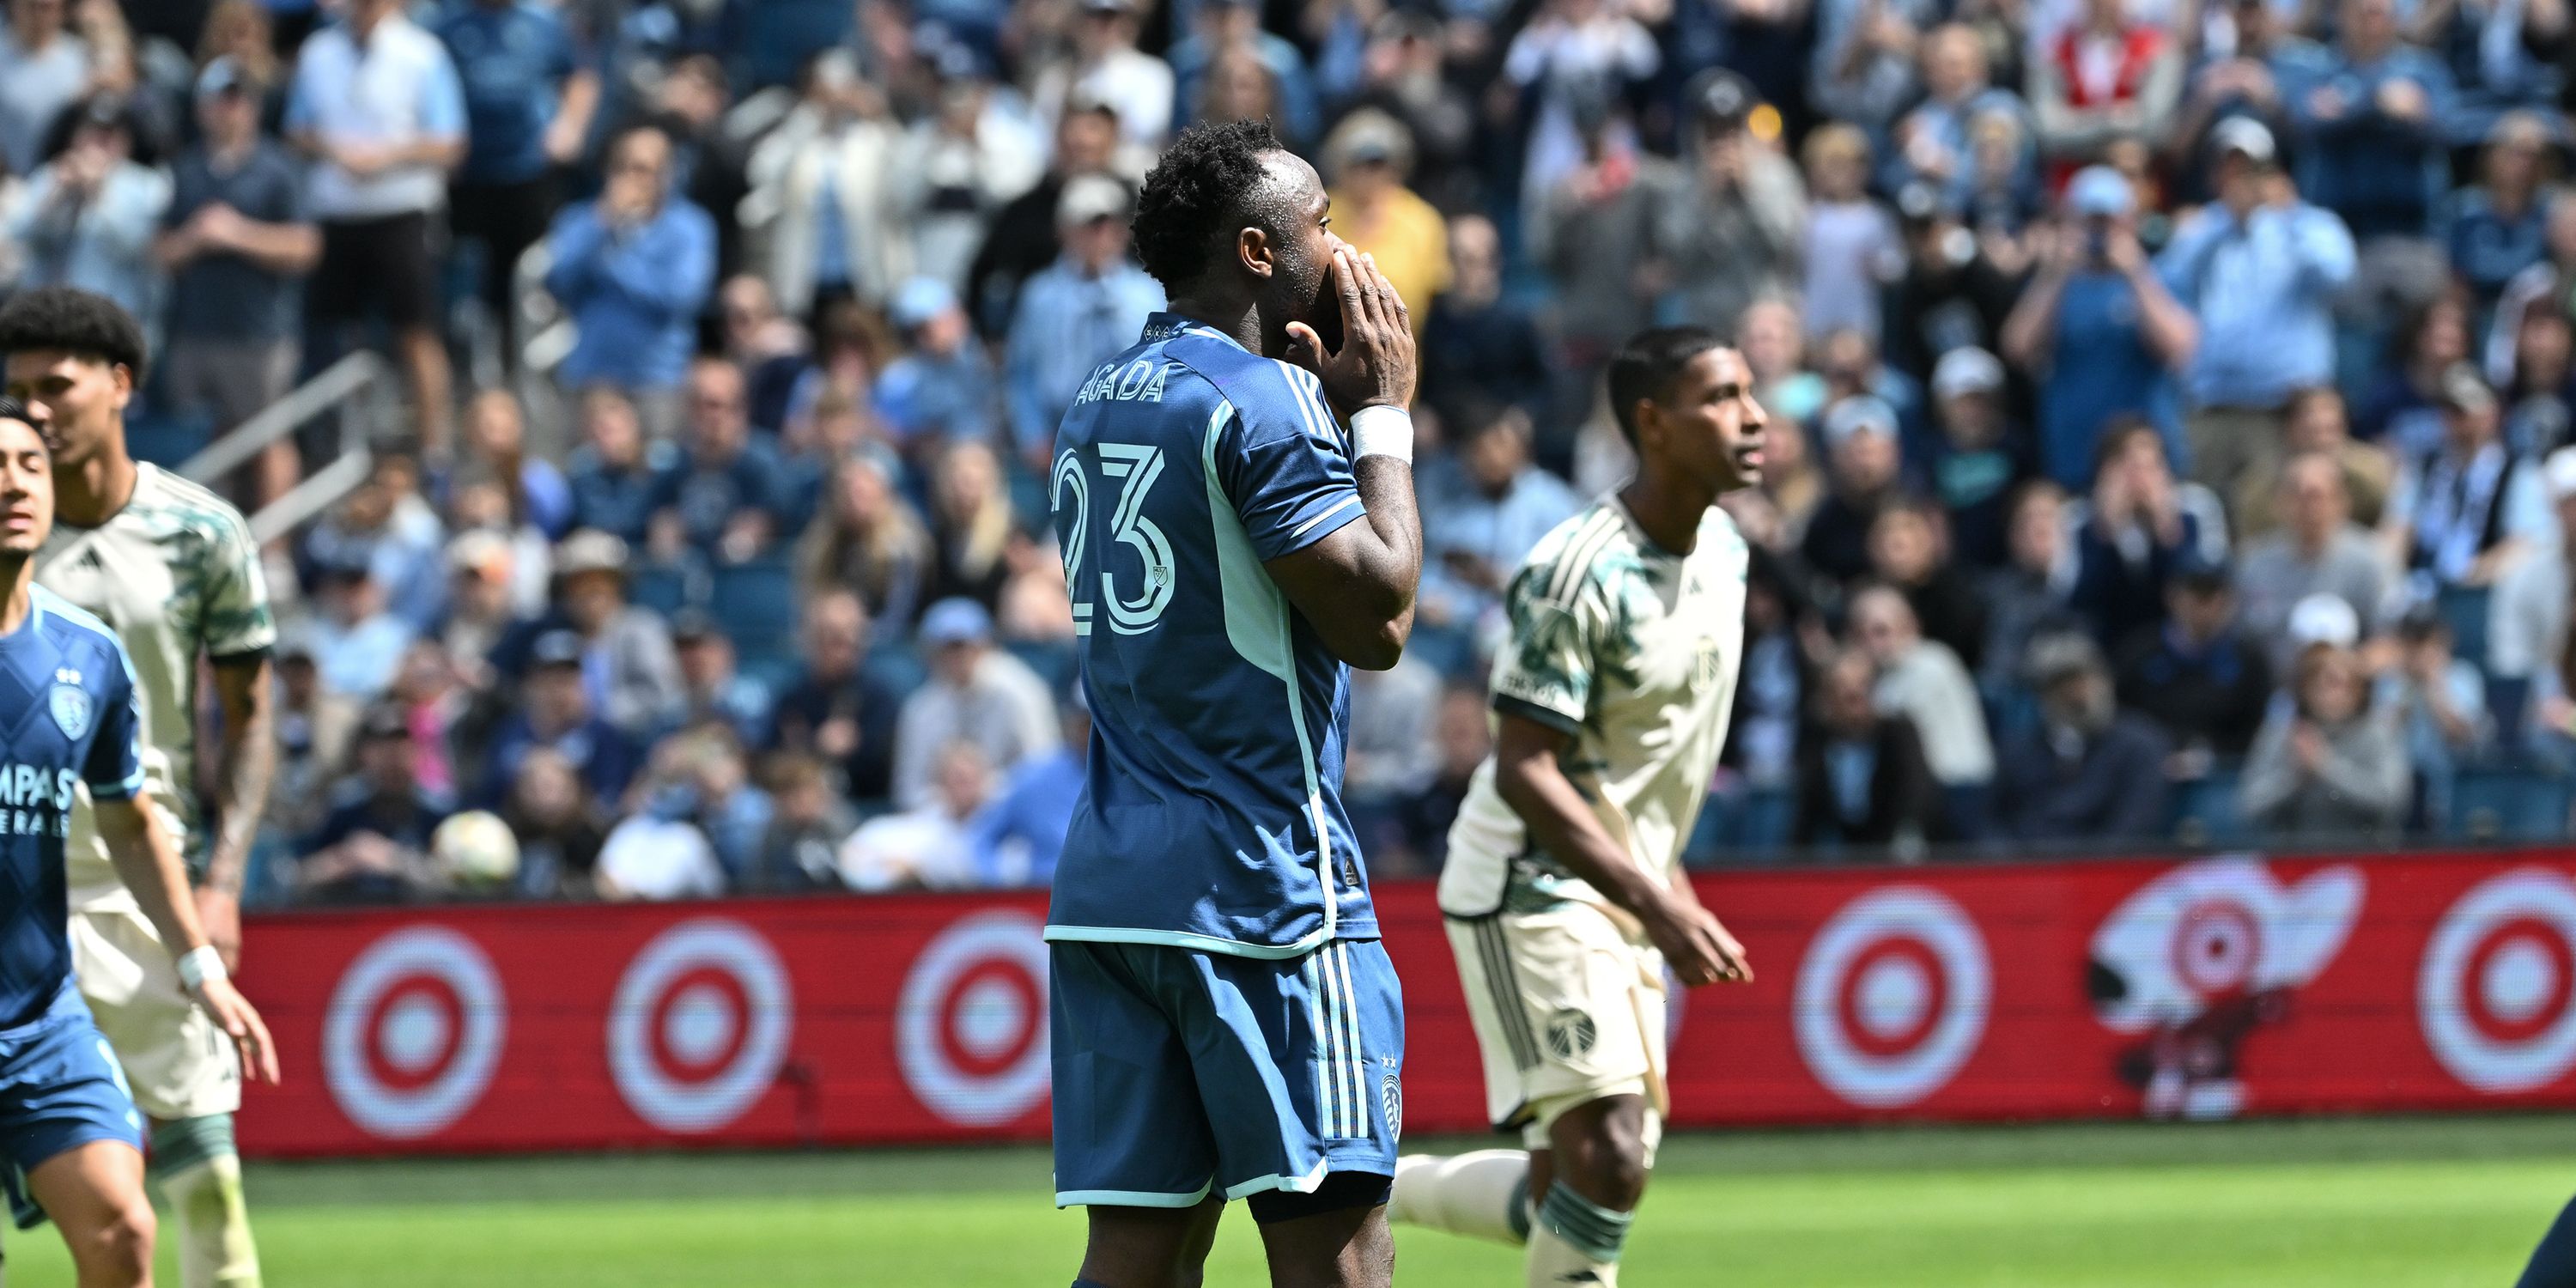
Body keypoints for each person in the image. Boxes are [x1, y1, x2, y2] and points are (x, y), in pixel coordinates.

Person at [1044, 118, 1424, 1287]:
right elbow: (1381, 623)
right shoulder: (1258, 403)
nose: (1346, 250)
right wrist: (1385, 418)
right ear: (1261, 253)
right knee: (1339, 1252)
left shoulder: (1098, 398)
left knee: (1138, 1258)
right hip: (1263, 890)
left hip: (1113, 890)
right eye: (1323, 225)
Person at [1388, 325, 1759, 1288]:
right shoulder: (1575, 573)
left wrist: (1657, 884)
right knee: (1612, 1157)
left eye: (1749, 394)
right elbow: (1525, 768)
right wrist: (1661, 899)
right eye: (1720, 398)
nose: (1752, 417)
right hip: (1532, 878)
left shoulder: (1724, 548)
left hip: (1624, 881)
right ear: (1652, 424)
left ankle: (1348, 1187)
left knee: (1573, 1184)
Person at [1, 288, 280, 1288]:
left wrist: (222, 890)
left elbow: (250, 722)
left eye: (55, 389)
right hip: (20, 893)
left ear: (121, 386)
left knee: (199, 1187)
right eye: (17, 391)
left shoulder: (200, 534)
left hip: (140, 881)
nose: (35, 410)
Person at [284, 0, 466, 455]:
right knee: (333, 338)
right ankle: (338, 445)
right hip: (337, 213)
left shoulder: (424, 53)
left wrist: (386, 157)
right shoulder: (317, 53)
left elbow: (450, 143)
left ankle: (434, 451)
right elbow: (297, 131)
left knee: (417, 331)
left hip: (402, 213)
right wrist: (334, 148)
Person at [2157, 118, 2357, 495]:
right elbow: (2166, 284)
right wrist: (2222, 223)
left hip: (2283, 410)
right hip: (2212, 405)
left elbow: (2337, 274)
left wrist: (2288, 213)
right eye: (2229, 168)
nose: (2240, 179)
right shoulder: (2203, 229)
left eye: (2250, 168)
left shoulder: (2309, 223)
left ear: (2273, 171)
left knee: (2272, 519)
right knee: (2208, 512)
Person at [156, 57, 319, 507]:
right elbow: (162, 252)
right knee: (202, 443)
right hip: (194, 331)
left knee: (267, 439)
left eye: (239, 98)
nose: (230, 108)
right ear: (202, 107)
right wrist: (195, 239)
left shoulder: (278, 168)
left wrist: (238, 233)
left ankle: (276, 554)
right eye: (221, 98)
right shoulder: (186, 170)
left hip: (259, 334)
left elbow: (306, 247)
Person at [2000, 166, 2197, 489]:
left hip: (2149, 467)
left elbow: (2180, 347)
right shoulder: (2055, 285)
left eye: (2107, 221)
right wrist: (2056, 273)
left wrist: (2136, 272)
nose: (2099, 232)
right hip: (2074, 459)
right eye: (2089, 221)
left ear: (2129, 221)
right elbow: (2017, 348)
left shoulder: (2160, 276)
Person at [434, 0, 595, 360]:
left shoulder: (543, 22)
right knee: (464, 276)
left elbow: (580, 75)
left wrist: (569, 126)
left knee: (526, 277)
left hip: (526, 171)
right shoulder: (448, 25)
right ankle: (467, 359)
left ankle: (519, 359)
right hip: (467, 175)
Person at [544, 125, 718, 413]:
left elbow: (680, 297)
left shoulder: (690, 228)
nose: (633, 179)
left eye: (644, 169)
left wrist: (614, 264)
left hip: (658, 381)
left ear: (667, 175)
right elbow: (559, 282)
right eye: (623, 168)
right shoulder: (582, 220)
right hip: (591, 376)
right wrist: (603, 226)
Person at [1003, 174, 1166, 462]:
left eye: (1109, 224)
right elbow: (1022, 370)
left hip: (1133, 436)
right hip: (1057, 435)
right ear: (1064, 230)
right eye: (1090, 225)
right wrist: (1033, 435)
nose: (1101, 234)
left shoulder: (1149, 295)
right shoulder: (1040, 296)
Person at [5, 96, 172, 331]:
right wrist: (56, 196)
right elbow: (17, 234)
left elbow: (141, 247)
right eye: (92, 133)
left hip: (114, 320)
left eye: (109, 136)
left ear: (126, 140)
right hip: (49, 318)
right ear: (76, 135)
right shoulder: (54, 175)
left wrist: (97, 193)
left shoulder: (146, 185)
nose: (99, 143)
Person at [1995, 631, 2173, 841]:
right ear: (2043, 696)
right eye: (2061, 684)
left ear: (2106, 681)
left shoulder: (2140, 745)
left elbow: (2136, 821)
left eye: (2084, 680)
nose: (2076, 694)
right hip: (2028, 866)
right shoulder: (2019, 751)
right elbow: (1992, 817)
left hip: (2106, 867)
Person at [1850, 582, 1996, 838]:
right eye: (1863, 635)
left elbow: (1884, 719)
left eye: (1881, 631)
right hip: (1923, 795)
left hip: (1958, 793)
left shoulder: (1931, 662)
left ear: (1909, 625)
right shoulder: (1885, 675)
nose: (1872, 643)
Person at [891, 598, 1057, 811]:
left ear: (985, 644)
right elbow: (908, 789)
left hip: (1012, 811)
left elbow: (1043, 770)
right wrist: (951, 800)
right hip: (944, 816)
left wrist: (986, 792)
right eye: (946, 648)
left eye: (962, 646)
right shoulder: (922, 707)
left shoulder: (1020, 692)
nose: (955, 656)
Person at [2237, 451, 2397, 670]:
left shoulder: (2371, 561)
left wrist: (2342, 672)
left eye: (2316, 496)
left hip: (2344, 688)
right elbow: (2239, 638)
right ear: (2278, 502)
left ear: (2342, 502)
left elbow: (2390, 644)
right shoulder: (2255, 564)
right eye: (2297, 496)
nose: (2308, 508)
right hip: (2268, 689)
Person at [2240, 641, 2410, 837]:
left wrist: (2326, 767)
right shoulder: (2282, 733)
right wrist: (2296, 778)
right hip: (2297, 859)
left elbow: (2393, 801)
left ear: (2359, 691)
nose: (2330, 695)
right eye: (2319, 685)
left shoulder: (2378, 734)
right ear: (2304, 690)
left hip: (2366, 858)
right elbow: (2249, 805)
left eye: (2338, 685)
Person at [2115, 557, 2273, 768]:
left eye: (2215, 596)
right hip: (2149, 764)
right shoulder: (2139, 653)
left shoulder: (2250, 660)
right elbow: (2120, 718)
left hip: (2224, 770)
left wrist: (2210, 754)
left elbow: (2259, 730)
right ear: (2172, 596)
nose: (2206, 606)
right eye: (2197, 595)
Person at [1792, 648, 1941, 854]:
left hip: (1891, 845)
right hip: (1840, 844)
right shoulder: (1818, 739)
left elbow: (1916, 791)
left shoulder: (1899, 733)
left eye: (1863, 686)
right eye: (1843, 689)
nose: (1855, 696)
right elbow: (1808, 809)